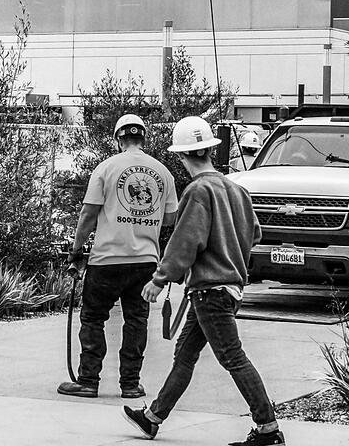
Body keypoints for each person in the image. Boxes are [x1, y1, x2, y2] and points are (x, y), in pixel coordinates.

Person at [123, 116, 281, 446]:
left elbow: (186, 241)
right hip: (225, 288)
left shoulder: (197, 191)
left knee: (232, 357)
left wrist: (160, 279)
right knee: (185, 356)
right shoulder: (236, 189)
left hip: (210, 290)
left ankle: (268, 429)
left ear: (181, 156)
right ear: (209, 149)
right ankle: (153, 418)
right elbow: (255, 233)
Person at [59, 113, 178, 399]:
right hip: (145, 261)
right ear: (143, 138)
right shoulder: (163, 172)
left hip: (107, 259)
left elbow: (88, 214)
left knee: (93, 319)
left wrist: (76, 251)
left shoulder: (106, 168)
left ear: (118, 139)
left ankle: (88, 381)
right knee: (137, 321)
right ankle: (130, 384)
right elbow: (171, 218)